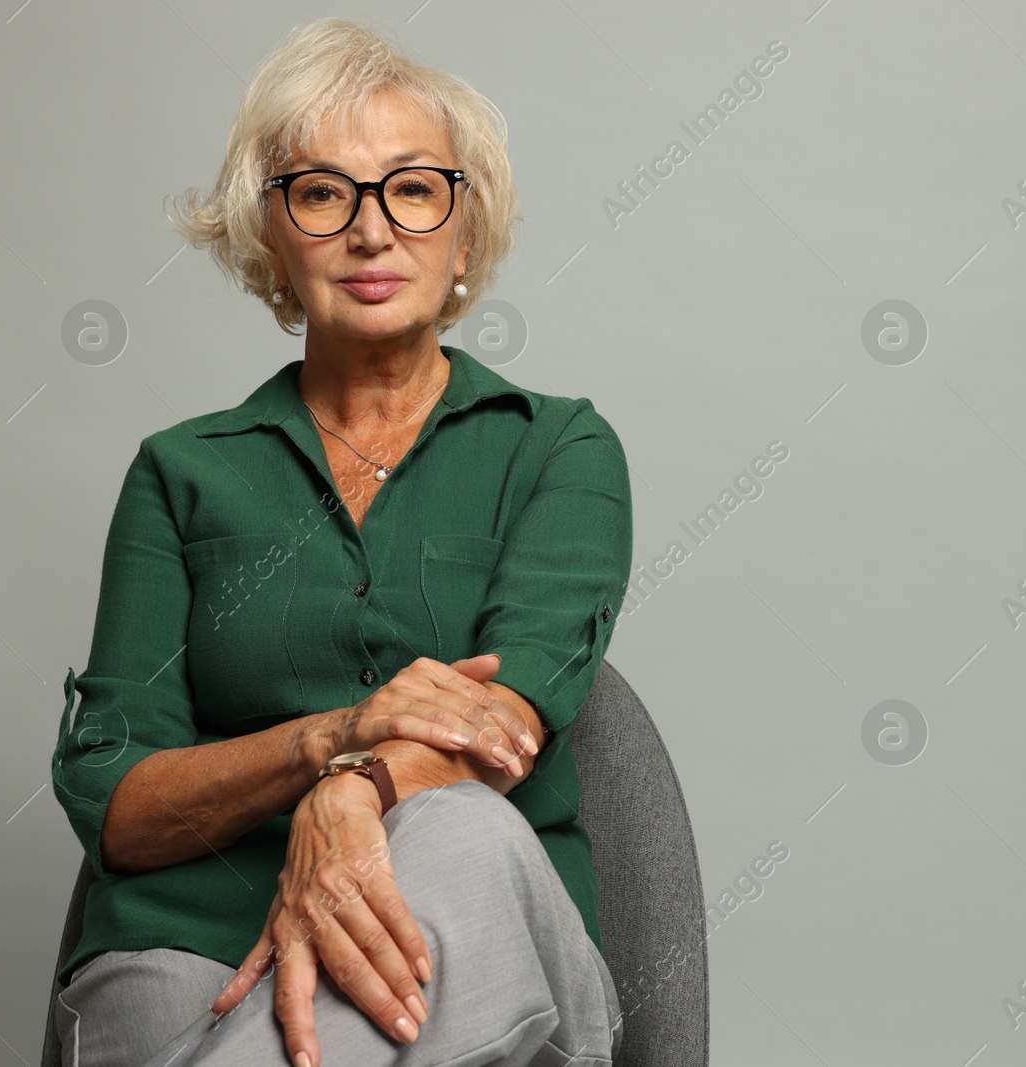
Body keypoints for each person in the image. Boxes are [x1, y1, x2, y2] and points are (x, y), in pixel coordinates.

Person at [49, 17, 632, 1066]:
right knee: (162, 999)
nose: (372, 231)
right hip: (191, 939)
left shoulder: (558, 447)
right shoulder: (181, 473)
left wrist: (352, 791)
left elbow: (500, 726)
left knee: (461, 827)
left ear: (466, 227)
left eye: (412, 188)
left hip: (478, 931)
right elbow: (122, 810)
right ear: (269, 233)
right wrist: (333, 739)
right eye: (323, 192)